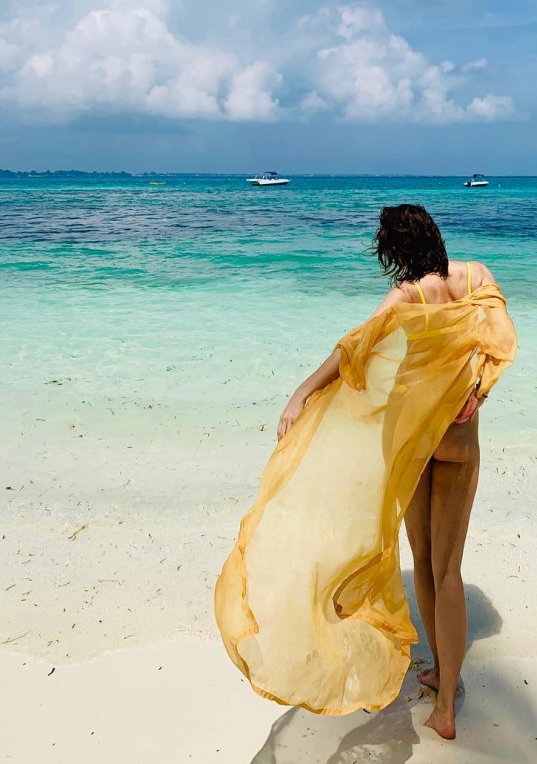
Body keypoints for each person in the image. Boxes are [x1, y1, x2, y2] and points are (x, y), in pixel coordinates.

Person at [215, 204, 516, 741]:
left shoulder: (407, 296)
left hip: (410, 439)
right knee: (447, 569)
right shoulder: (476, 277)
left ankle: (442, 683)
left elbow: (355, 347)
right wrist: (477, 393)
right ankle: (445, 690)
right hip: (458, 441)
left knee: (423, 560)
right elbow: (501, 340)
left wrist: (301, 393)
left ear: (397, 252)